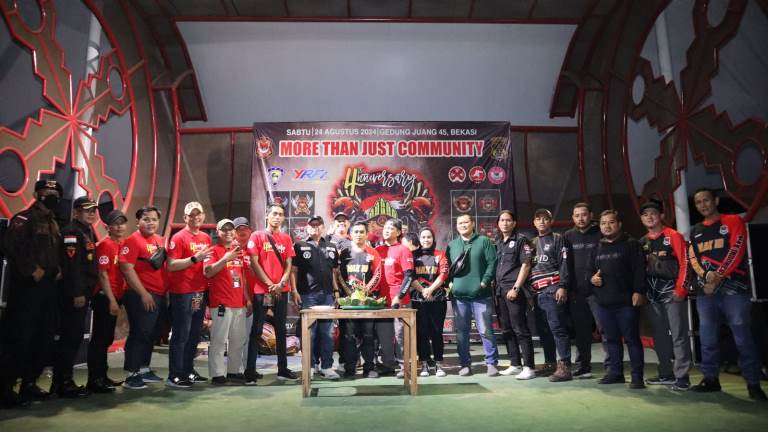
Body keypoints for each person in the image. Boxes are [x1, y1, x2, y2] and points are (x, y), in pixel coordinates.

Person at [688, 188, 766, 400]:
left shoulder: (733, 221)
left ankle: (753, 383)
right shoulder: (695, 230)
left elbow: (737, 249)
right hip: (706, 293)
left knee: (743, 338)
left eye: (706, 200)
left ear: (715, 200)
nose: (703, 205)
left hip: (735, 291)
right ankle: (710, 379)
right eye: (698, 202)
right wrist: (706, 277)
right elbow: (693, 258)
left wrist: (718, 277)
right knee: (707, 338)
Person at [0, 179, 63, 407]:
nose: (51, 195)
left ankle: (29, 383)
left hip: (48, 288)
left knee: (42, 338)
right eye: (47, 191)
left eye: (55, 192)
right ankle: (5, 389)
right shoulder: (24, 218)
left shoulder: (54, 222)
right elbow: (10, 246)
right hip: (27, 288)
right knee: (19, 338)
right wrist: (31, 270)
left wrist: (57, 269)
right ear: (37, 194)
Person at [638, 200, 692, 390]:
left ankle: (682, 377)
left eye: (653, 213)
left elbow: (686, 263)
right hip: (652, 297)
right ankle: (666, 374)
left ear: (661, 215)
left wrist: (681, 289)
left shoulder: (673, 235)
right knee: (659, 336)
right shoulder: (642, 242)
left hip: (673, 294)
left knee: (679, 336)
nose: (649, 217)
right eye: (645, 214)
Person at [589, 210, 646, 389]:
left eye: (611, 222)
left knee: (632, 340)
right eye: (603, 223)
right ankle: (616, 373)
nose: (607, 226)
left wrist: (638, 291)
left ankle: (637, 377)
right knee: (611, 340)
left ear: (619, 224)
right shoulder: (597, 247)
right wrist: (592, 279)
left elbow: (639, 270)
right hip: (604, 303)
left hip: (626, 303)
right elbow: (589, 272)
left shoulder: (631, 244)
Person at [51, 196, 100, 398]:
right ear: (75, 212)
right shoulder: (72, 232)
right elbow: (72, 266)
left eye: (93, 210)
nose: (91, 213)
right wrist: (77, 292)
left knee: (74, 336)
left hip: (82, 291)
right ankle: (62, 383)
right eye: (86, 210)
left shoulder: (86, 231)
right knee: (70, 337)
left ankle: (64, 381)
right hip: (73, 293)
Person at [245, 203, 298, 382]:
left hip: (281, 290)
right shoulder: (257, 236)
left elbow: (289, 264)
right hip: (262, 290)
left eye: (280, 214)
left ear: (283, 218)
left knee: (281, 330)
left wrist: (281, 283)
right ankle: (250, 371)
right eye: (274, 213)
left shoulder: (286, 238)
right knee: (256, 330)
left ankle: (283, 369)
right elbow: (254, 263)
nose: (277, 217)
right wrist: (269, 284)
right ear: (267, 216)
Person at [119, 206, 168, 390]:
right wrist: (143, 293)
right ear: (138, 221)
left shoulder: (159, 240)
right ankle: (131, 374)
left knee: (151, 334)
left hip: (158, 294)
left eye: (154, 219)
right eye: (146, 219)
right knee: (139, 333)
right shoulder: (133, 240)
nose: (150, 223)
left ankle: (144, 368)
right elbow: (126, 268)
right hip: (140, 295)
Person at [166, 201, 213, 388]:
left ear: (203, 216)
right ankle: (175, 375)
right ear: (185, 218)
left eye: (198, 214)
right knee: (181, 334)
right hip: (182, 292)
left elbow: (207, 263)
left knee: (194, 334)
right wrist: (194, 258)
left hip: (199, 292)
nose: (195, 217)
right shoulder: (178, 238)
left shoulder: (205, 237)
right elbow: (171, 265)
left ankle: (188, 370)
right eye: (191, 215)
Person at [447, 214, 499, 377]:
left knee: (485, 330)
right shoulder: (452, 245)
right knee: (462, 333)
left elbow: (493, 262)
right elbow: (447, 268)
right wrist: (450, 283)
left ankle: (491, 363)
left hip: (481, 296)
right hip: (459, 298)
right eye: (460, 223)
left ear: (473, 224)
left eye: (466, 222)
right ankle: (465, 364)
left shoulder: (484, 241)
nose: (463, 225)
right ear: (456, 226)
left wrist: (484, 282)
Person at [291, 215, 340, 380]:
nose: (315, 228)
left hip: (327, 296)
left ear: (323, 227)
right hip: (307, 295)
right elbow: (293, 271)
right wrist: (294, 291)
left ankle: (327, 367)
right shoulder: (299, 245)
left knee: (327, 333)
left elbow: (333, 272)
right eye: (312, 225)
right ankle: (310, 366)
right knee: (309, 334)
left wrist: (336, 291)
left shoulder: (332, 247)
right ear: (307, 228)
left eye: (318, 225)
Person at [87, 209, 129, 394]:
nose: (119, 227)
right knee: (100, 338)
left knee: (106, 338)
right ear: (108, 227)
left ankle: (102, 376)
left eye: (122, 223)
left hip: (116, 296)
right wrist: (112, 300)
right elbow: (102, 274)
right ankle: (95, 380)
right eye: (115, 224)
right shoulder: (105, 245)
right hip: (105, 297)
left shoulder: (123, 245)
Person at [204, 219, 250, 385]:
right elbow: (208, 272)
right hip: (221, 303)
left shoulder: (239, 251)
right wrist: (225, 258)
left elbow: (242, 276)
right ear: (218, 232)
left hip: (239, 303)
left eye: (231, 229)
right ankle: (217, 374)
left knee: (238, 340)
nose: (228, 232)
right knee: (219, 340)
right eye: (224, 230)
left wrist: (247, 299)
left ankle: (233, 371)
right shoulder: (212, 251)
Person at [528, 208, 572, 382]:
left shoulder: (558, 239)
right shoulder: (531, 243)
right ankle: (550, 363)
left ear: (551, 221)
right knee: (543, 330)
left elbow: (565, 264)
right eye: (538, 219)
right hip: (536, 293)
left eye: (545, 219)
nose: (541, 221)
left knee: (557, 329)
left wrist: (562, 286)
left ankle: (565, 366)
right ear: (534, 222)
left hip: (553, 289)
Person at [562, 202, 604, 379]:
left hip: (599, 291)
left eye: (584, 214)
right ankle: (583, 366)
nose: (581, 218)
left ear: (591, 215)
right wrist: (566, 287)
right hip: (577, 292)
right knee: (581, 332)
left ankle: (612, 367)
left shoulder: (601, 233)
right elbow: (565, 264)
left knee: (605, 329)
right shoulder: (568, 236)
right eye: (577, 215)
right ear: (573, 217)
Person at [338, 222, 383, 378]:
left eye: (361, 232)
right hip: (349, 302)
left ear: (366, 234)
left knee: (368, 335)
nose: (358, 234)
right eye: (356, 232)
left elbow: (378, 274)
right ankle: (350, 368)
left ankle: (369, 367)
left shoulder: (373, 253)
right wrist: (349, 292)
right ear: (350, 234)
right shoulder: (343, 253)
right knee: (349, 336)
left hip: (367, 302)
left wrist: (366, 291)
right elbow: (338, 275)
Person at [494, 210, 536, 380]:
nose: (505, 223)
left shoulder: (521, 240)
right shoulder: (498, 242)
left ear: (514, 223)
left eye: (508, 220)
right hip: (500, 290)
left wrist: (516, 288)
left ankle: (529, 367)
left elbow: (526, 265)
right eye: (502, 220)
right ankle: (515, 364)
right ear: (498, 224)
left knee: (520, 329)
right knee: (507, 329)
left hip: (514, 290)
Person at [375, 218, 416, 378]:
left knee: (400, 335)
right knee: (384, 334)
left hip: (400, 301)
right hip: (381, 301)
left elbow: (409, 276)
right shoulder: (378, 250)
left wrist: (399, 296)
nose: (386, 230)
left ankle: (404, 366)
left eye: (391, 228)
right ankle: (388, 364)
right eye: (385, 227)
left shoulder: (403, 250)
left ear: (398, 232)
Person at [411, 227, 449, 378]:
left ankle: (439, 364)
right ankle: (424, 364)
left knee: (437, 332)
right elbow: (410, 275)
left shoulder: (440, 254)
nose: (426, 240)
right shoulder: (413, 255)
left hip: (437, 299)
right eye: (423, 237)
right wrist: (422, 290)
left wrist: (431, 290)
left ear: (433, 239)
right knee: (422, 333)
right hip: (418, 299)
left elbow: (444, 274)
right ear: (419, 239)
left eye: (429, 237)